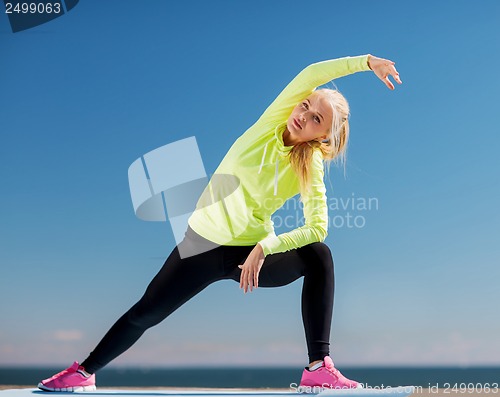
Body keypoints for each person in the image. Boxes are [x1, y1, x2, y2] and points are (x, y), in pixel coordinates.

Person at [38, 54, 402, 392]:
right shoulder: (272, 121)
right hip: (202, 244)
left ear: (322, 137)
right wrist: (367, 62)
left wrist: (265, 247)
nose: (303, 116)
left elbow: (318, 227)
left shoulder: (310, 166)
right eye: (306, 106)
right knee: (146, 312)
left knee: (319, 255)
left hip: (250, 255)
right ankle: (83, 373)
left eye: (316, 120)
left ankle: (318, 368)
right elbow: (312, 74)